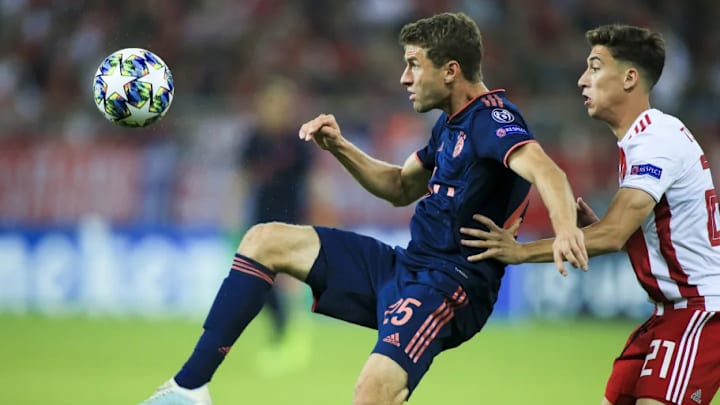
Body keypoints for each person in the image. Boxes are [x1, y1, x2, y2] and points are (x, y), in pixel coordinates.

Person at [139, 12, 587, 405]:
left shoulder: (492, 118)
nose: (404, 78)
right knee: (263, 240)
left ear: (451, 71)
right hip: (405, 267)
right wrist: (339, 146)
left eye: (414, 64)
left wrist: (565, 230)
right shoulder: (449, 126)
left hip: (448, 286)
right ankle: (188, 389)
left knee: (373, 390)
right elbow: (398, 187)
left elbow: (547, 172)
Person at [459, 24, 720, 405]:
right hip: (667, 314)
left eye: (595, 68)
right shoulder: (647, 137)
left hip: (698, 312)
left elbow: (613, 235)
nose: (583, 80)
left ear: (629, 78)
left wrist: (519, 252)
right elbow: (661, 233)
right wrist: (602, 230)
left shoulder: (655, 142)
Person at [236, 76, 312, 374]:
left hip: (290, 219)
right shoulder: (254, 139)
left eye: (281, 105)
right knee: (260, 282)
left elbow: (312, 181)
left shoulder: (297, 142)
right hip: (260, 220)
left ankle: (289, 338)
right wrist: (232, 214)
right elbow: (243, 178)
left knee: (281, 280)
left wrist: (323, 213)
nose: (275, 110)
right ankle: (287, 334)